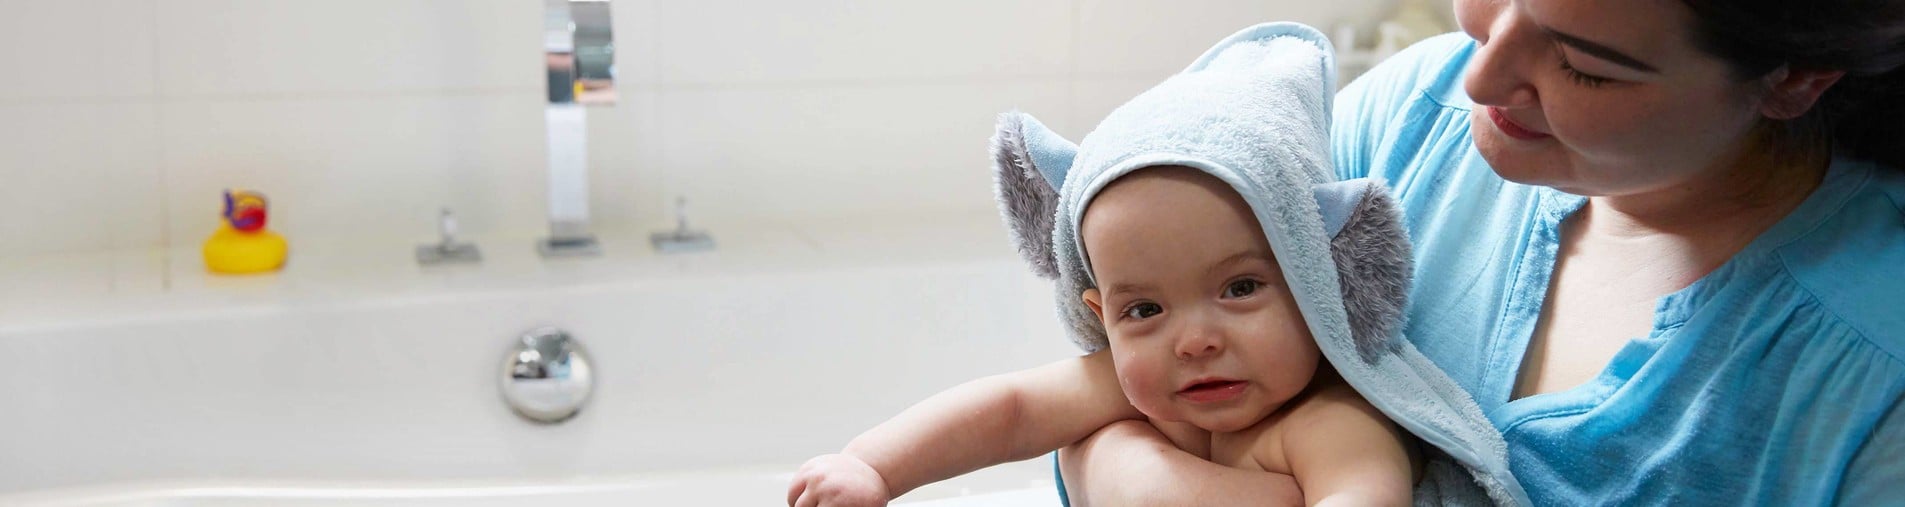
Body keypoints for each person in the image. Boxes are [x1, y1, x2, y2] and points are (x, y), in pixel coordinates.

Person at [1060, 0, 1905, 504]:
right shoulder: (1404, 119)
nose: (1481, 75)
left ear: (1795, 79)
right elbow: (1116, 387)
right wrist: (1126, 473)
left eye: (1583, 68)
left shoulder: (1866, 367)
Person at [787, 25, 1471, 506]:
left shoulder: (1330, 420)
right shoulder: (1139, 381)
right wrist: (869, 465)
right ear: (1101, 316)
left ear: (1317, 282)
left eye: (1239, 287)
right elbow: (1009, 409)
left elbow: (1360, 493)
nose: (1194, 338)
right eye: (1143, 309)